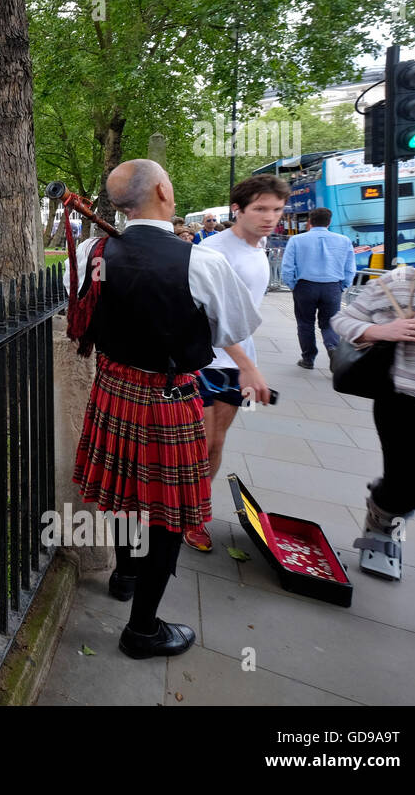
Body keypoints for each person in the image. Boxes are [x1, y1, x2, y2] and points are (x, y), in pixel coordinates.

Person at [64, 159, 263, 659]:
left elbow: (82, 305)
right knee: (166, 516)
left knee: (127, 493)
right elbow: (232, 330)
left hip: (113, 389)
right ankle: (143, 630)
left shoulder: (93, 248)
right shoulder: (201, 262)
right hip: (167, 397)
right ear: (162, 190)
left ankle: (126, 573)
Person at [330, 212, 415, 580]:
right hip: (410, 405)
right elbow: (343, 320)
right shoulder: (407, 282)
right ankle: (382, 526)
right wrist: (382, 331)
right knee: (410, 487)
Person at [186, 175, 287, 551]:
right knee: (203, 442)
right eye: (260, 208)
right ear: (237, 210)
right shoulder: (214, 251)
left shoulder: (259, 248)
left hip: (238, 364)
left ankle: (194, 509)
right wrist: (248, 365)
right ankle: (187, 514)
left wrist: (246, 363)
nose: (270, 217)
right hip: (206, 362)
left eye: (276, 209)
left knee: (216, 443)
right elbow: (208, 318)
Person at [281, 207, 357, 369]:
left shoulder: (296, 240)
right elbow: (350, 268)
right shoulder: (344, 240)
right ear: (329, 222)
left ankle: (308, 359)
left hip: (305, 286)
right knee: (329, 323)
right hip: (332, 287)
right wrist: (343, 285)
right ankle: (332, 348)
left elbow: (287, 267)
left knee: (305, 323)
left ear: (309, 222)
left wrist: (293, 285)